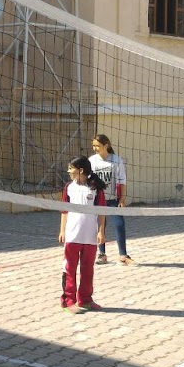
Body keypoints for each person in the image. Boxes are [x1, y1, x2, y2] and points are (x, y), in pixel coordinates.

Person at [59, 155, 106, 314]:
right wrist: (62, 230)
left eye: (71, 168)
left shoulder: (95, 188)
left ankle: (85, 300)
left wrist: (101, 231)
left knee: (88, 269)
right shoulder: (68, 187)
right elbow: (64, 210)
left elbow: (101, 212)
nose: (68, 171)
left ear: (80, 170)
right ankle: (68, 301)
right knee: (69, 268)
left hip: (90, 236)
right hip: (72, 235)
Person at [89, 134, 133, 265]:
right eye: (93, 145)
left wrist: (122, 198)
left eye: (97, 145)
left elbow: (122, 180)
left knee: (120, 224)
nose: (95, 148)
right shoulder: (92, 160)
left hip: (113, 199)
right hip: (97, 199)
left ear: (106, 146)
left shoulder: (116, 160)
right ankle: (101, 254)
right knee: (99, 226)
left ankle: (123, 254)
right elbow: (89, 181)